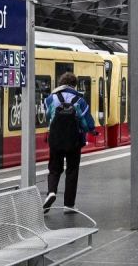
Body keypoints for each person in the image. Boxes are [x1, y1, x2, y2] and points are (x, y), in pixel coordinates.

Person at [43, 73, 96, 212]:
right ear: (74, 85)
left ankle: (51, 192)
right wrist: (91, 130)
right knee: (72, 171)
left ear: (61, 83)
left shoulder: (51, 98)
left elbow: (47, 116)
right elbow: (86, 121)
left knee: (54, 169)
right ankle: (68, 205)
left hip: (56, 139)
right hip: (74, 140)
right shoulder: (80, 99)